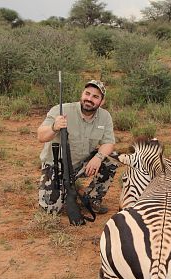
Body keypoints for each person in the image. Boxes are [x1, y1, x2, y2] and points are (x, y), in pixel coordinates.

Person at [37, 80, 117, 215]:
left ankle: (91, 199)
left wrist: (98, 158)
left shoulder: (105, 116)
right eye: (87, 94)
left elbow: (109, 142)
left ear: (101, 102)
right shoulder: (61, 110)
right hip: (56, 166)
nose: (89, 99)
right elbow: (41, 136)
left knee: (110, 159)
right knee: (50, 211)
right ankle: (64, 192)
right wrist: (54, 127)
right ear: (82, 94)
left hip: (82, 165)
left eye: (95, 97)